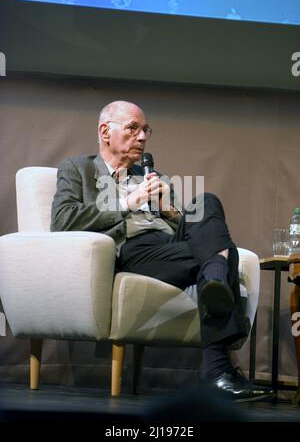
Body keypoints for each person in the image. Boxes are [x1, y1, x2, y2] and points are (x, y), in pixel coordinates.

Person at [51, 100, 273, 402]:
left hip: (171, 244)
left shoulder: (151, 176)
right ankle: (218, 368)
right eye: (133, 128)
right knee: (224, 254)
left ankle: (215, 279)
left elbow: (193, 228)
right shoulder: (78, 169)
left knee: (206, 202)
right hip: (133, 249)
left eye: (146, 130)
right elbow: (63, 220)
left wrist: (169, 210)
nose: (142, 137)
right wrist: (127, 203)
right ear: (105, 131)